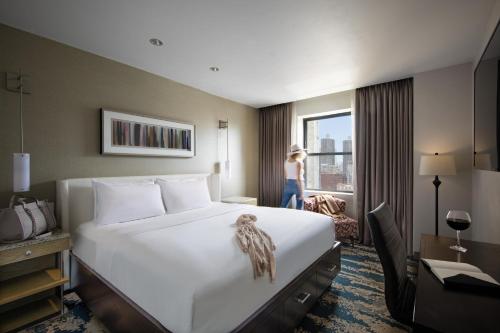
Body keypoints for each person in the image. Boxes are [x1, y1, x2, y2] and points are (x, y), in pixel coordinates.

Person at [280, 144, 307, 209]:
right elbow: (299, 178)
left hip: (288, 184)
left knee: (283, 205)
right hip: (297, 185)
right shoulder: (299, 162)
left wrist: (289, 183)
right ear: (299, 153)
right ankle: (297, 219)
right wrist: (302, 192)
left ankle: (279, 217)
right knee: (299, 207)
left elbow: (286, 176)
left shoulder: (286, 162)